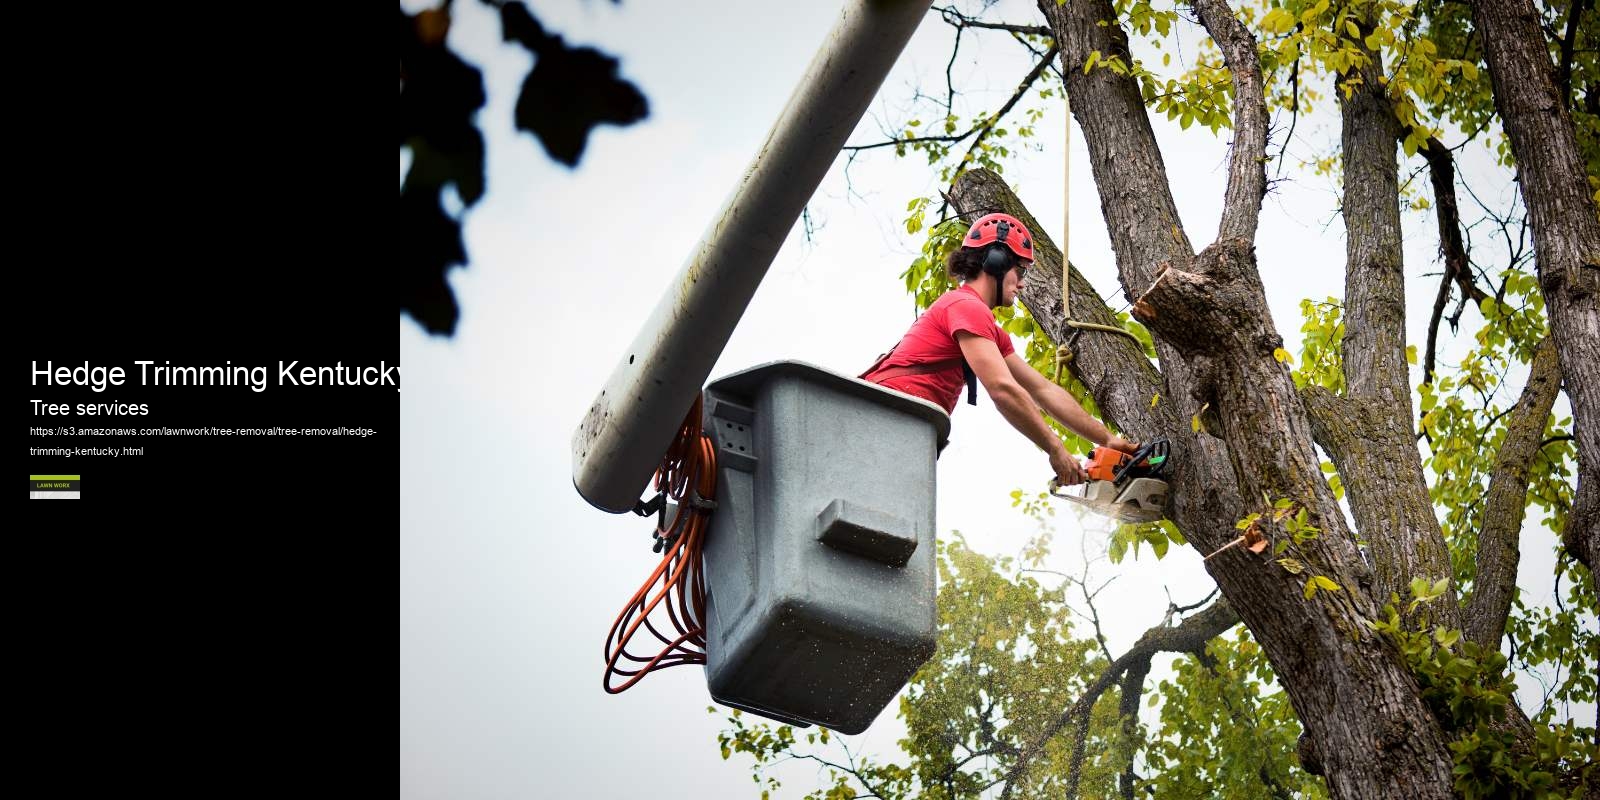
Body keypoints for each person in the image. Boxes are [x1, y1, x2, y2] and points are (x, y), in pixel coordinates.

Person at [861, 213, 1139, 485]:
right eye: (1020, 271)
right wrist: (1055, 448)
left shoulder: (986, 330)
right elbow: (1003, 389)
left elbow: (1043, 390)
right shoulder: (966, 306)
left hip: (902, 423)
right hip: (881, 417)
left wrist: (1107, 439)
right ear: (995, 262)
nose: (1022, 283)